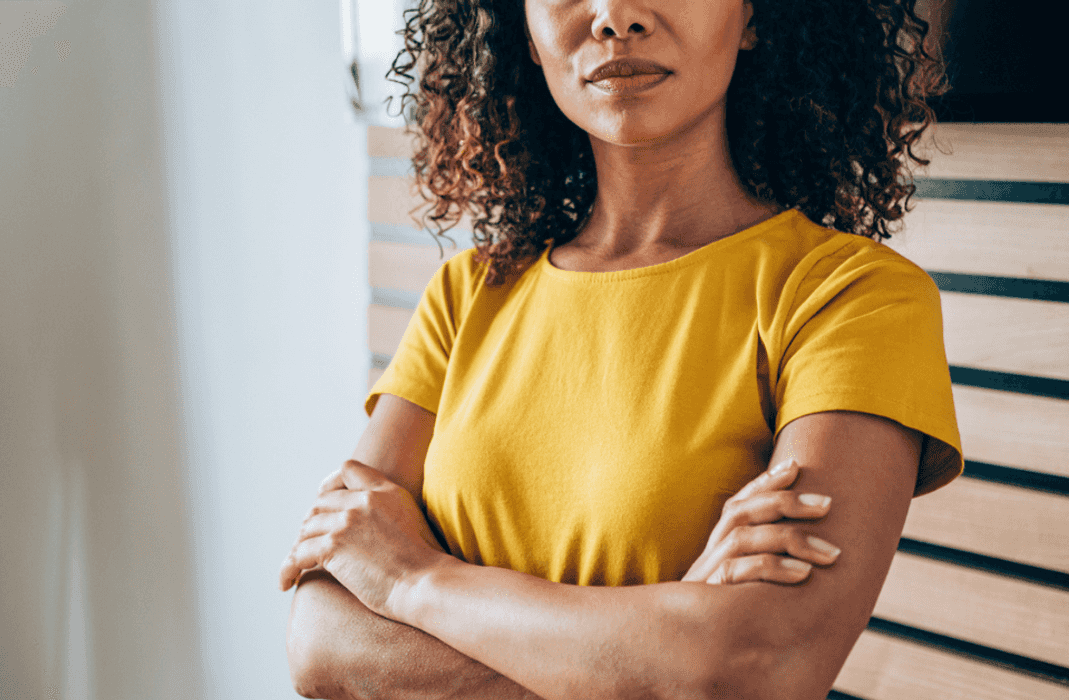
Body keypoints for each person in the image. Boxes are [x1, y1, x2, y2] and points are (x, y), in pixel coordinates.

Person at [279, 0, 962, 697]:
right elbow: (319, 641)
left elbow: (759, 669)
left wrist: (412, 581)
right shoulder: (468, 295)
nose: (614, 15)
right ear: (522, 32)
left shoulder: (849, 299)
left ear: (757, 15)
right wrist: (657, 656)